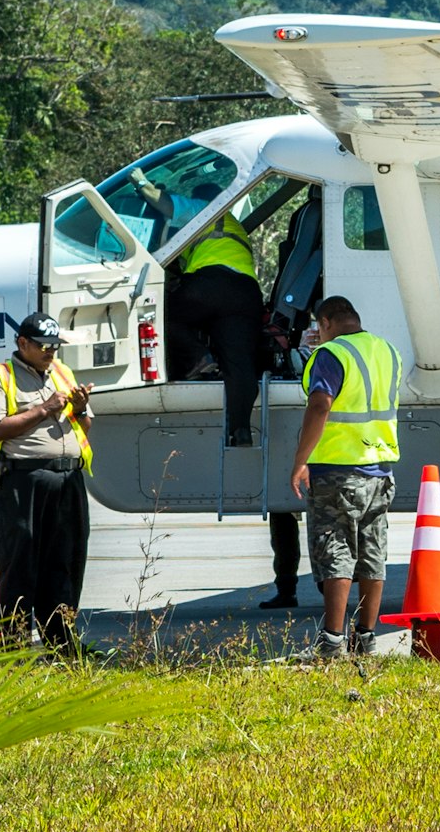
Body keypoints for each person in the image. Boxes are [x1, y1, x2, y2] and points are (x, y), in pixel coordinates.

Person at [287, 293, 402, 659]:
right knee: (371, 552)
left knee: (335, 549)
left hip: (338, 471)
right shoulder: (387, 351)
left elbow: (320, 404)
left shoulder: (331, 354)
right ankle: (365, 638)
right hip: (380, 470)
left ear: (325, 324)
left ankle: (331, 642)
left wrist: (300, 460)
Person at [0, 314, 94, 652]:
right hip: (23, 481)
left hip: (67, 478)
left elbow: (82, 427)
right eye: (43, 346)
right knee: (20, 567)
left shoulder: (62, 373)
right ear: (22, 343)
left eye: (55, 346)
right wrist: (44, 409)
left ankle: (62, 645)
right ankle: (15, 650)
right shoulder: (0, 377)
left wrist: (82, 409)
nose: (50, 352)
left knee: (65, 564)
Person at [169, 211, 268, 448]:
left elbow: (162, 204)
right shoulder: (234, 225)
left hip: (209, 282)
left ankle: (198, 357)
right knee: (239, 362)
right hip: (246, 292)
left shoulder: (195, 211)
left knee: (158, 316)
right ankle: (241, 429)